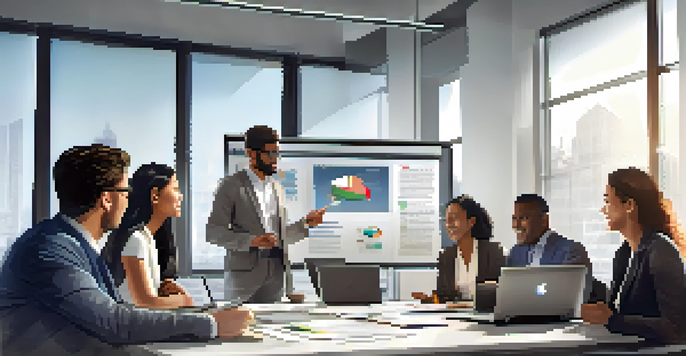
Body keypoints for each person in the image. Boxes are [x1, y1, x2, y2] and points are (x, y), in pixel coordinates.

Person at [0, 144, 252, 356]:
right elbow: (113, 322)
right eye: (126, 191)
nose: (129, 199)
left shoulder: (74, 242)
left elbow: (118, 310)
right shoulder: (50, 248)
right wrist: (211, 324)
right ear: (107, 199)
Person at [206, 125, 327, 303]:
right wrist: (252, 241)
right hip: (244, 280)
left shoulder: (277, 188)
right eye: (270, 153)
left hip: (276, 277)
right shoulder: (230, 185)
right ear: (250, 153)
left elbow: (279, 237)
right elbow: (214, 233)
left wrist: (306, 224)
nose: (275, 159)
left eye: (277, 153)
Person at [581, 167, 686, 344]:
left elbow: (676, 329)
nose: (603, 210)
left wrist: (612, 320)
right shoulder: (623, 252)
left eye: (607, 201)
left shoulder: (661, 252)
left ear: (629, 205)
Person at [101, 163, 193, 308]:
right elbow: (145, 302)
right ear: (155, 195)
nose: (180, 196)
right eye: (175, 189)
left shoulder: (147, 238)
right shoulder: (136, 239)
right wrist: (184, 300)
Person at [413, 195, 505, 304]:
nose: (449, 225)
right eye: (446, 220)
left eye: (453, 218)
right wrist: (431, 299)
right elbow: (444, 296)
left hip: (485, 317)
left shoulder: (493, 252)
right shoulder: (446, 256)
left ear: (471, 221)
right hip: (454, 318)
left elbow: (502, 294)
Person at [508, 193, 593, 302]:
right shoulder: (516, 253)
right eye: (514, 219)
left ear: (544, 220)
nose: (516, 225)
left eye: (524, 218)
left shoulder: (571, 251)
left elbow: (572, 300)